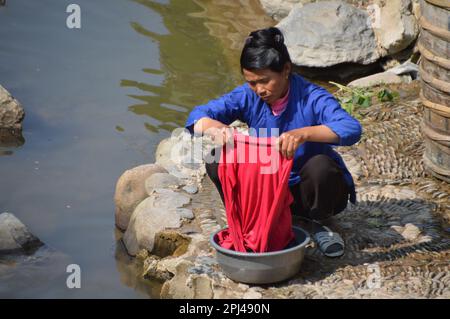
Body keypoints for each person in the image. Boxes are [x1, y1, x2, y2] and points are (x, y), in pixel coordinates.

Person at [185, 27, 362, 257]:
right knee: (216, 157)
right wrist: (215, 127)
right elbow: (196, 116)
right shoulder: (247, 96)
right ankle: (247, 220)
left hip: (307, 190)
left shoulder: (312, 96)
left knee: (322, 167)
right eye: (251, 82)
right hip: (266, 188)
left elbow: (351, 128)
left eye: (265, 81)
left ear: (286, 70)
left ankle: (319, 224)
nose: (259, 90)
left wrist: (303, 134)